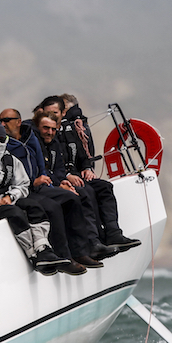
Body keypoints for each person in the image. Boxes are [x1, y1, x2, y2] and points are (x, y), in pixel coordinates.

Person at [0, 121, 72, 275]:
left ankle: (43, 247)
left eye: (0, 140)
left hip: (4, 203)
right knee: (13, 212)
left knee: (33, 206)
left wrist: (10, 196)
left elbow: (23, 184)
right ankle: (32, 253)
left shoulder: (10, 161)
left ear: (6, 139)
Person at [0, 107, 104, 268]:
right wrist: (34, 181)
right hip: (23, 190)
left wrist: (57, 182)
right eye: (0, 121)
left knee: (72, 198)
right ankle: (64, 257)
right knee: (53, 207)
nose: (2, 124)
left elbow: (42, 165)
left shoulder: (30, 137)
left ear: (18, 122)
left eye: (6, 120)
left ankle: (81, 252)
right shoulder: (2, 144)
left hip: (40, 186)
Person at [35, 110, 141, 256]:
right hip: (45, 185)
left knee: (105, 187)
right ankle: (90, 244)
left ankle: (112, 234)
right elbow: (44, 169)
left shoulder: (66, 134)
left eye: (53, 128)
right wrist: (63, 180)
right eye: (46, 128)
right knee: (83, 193)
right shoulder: (37, 143)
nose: (50, 131)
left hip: (67, 178)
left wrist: (85, 167)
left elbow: (78, 155)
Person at [58, 94, 142, 252]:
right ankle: (94, 240)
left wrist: (88, 168)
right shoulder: (58, 129)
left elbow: (85, 154)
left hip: (79, 174)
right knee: (86, 192)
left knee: (105, 187)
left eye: (65, 109)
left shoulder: (80, 127)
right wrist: (66, 175)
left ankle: (113, 233)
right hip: (65, 176)